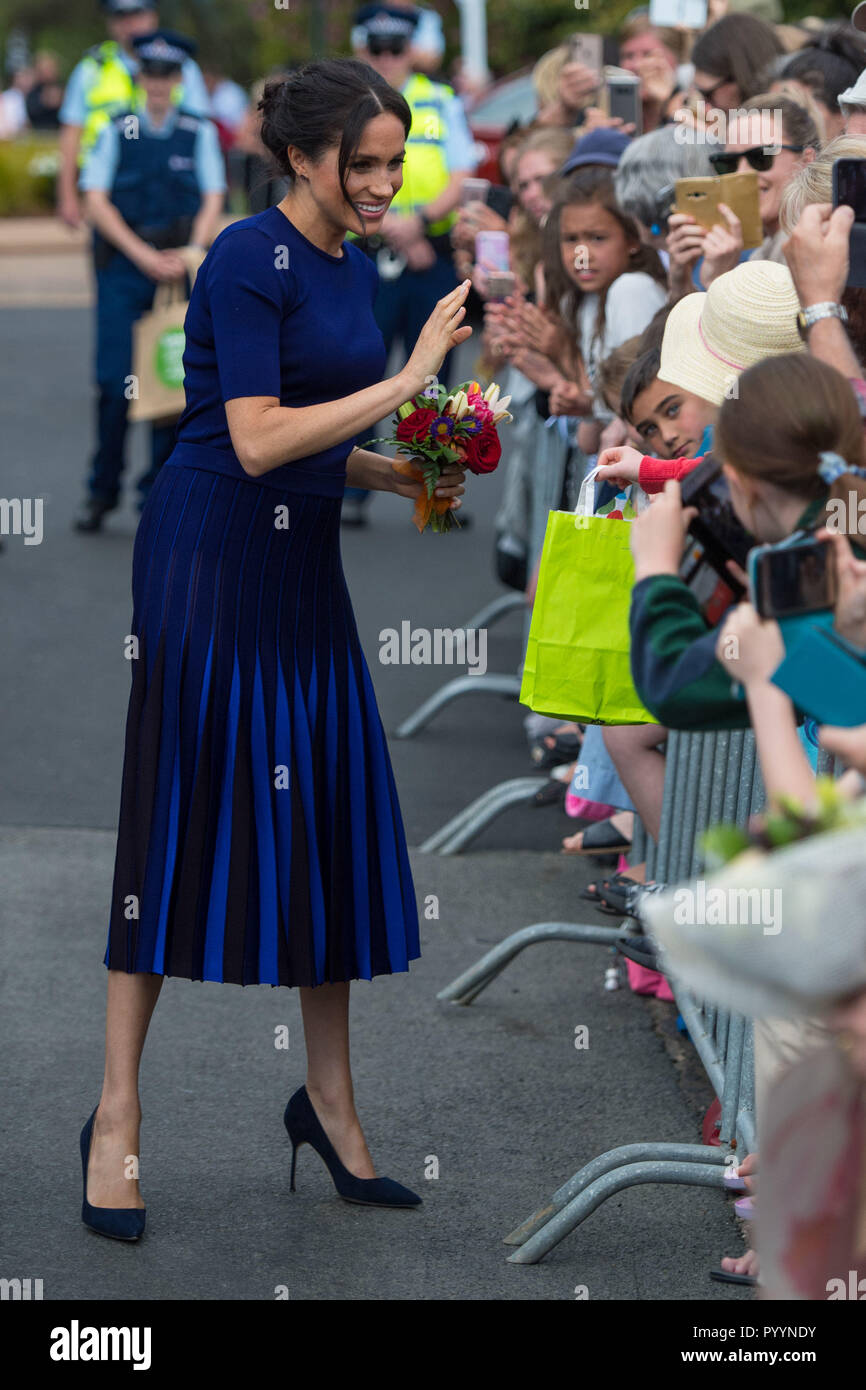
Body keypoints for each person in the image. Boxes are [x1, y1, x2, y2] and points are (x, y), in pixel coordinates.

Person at [80, 57, 472, 1240]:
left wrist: (393, 464)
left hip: (299, 565)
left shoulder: (351, 265)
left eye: (391, 162)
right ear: (298, 157)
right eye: (359, 162)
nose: (378, 182)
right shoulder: (249, 256)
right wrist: (408, 381)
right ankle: (115, 1117)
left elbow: (307, 441)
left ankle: (331, 1106)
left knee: (326, 814)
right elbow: (249, 439)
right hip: (208, 557)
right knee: (176, 818)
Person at [73, 30, 226, 531]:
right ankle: (102, 489)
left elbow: (212, 197)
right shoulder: (120, 128)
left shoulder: (196, 129)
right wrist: (142, 255)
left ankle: (157, 494)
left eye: (168, 75)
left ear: (179, 79)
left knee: (170, 385)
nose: (158, 85)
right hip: (125, 268)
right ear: (140, 78)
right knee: (115, 383)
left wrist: (192, 253)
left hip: (178, 271)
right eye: (150, 75)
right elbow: (96, 198)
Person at [342, 2, 478, 526]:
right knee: (360, 369)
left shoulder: (440, 101)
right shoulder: (352, 104)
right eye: (377, 49)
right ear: (363, 51)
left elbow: (462, 173)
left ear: (411, 51)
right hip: (368, 252)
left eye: (396, 49)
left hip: (429, 252)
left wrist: (417, 223)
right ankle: (351, 491)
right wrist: (389, 226)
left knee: (433, 378)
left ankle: (436, 489)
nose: (387, 58)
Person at [57, 0, 209, 231]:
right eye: (120, 15)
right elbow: (71, 132)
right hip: (108, 186)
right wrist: (67, 195)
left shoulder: (184, 67)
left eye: (137, 13)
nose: (129, 22)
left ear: (153, 16)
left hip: (171, 189)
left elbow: (201, 135)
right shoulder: (92, 68)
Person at [666, 95, 820, 291]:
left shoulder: (813, 246)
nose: (742, 173)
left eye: (761, 157)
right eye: (729, 162)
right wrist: (681, 282)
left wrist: (719, 283)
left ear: (806, 161)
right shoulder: (762, 251)